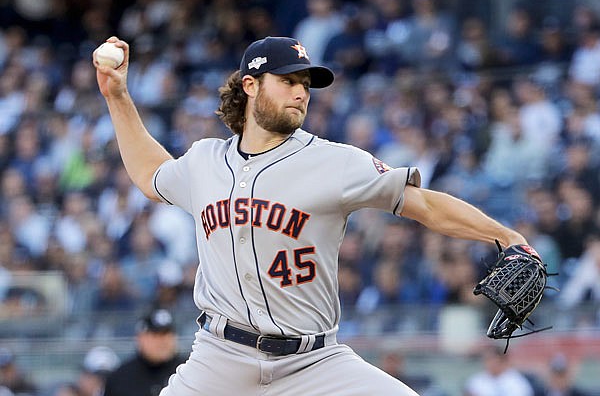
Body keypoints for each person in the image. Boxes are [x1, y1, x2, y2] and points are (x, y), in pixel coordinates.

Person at [94, 35, 533, 395]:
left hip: (314, 363)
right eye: (287, 80)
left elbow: (423, 204)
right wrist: (117, 96)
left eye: (305, 82)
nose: (301, 91)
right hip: (219, 360)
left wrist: (502, 235)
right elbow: (151, 173)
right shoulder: (204, 161)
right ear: (250, 86)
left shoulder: (336, 162)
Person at [103, 308, 185, 396]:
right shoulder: (120, 378)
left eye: (167, 334)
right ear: (140, 338)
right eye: (155, 335)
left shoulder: (188, 371)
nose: (163, 341)